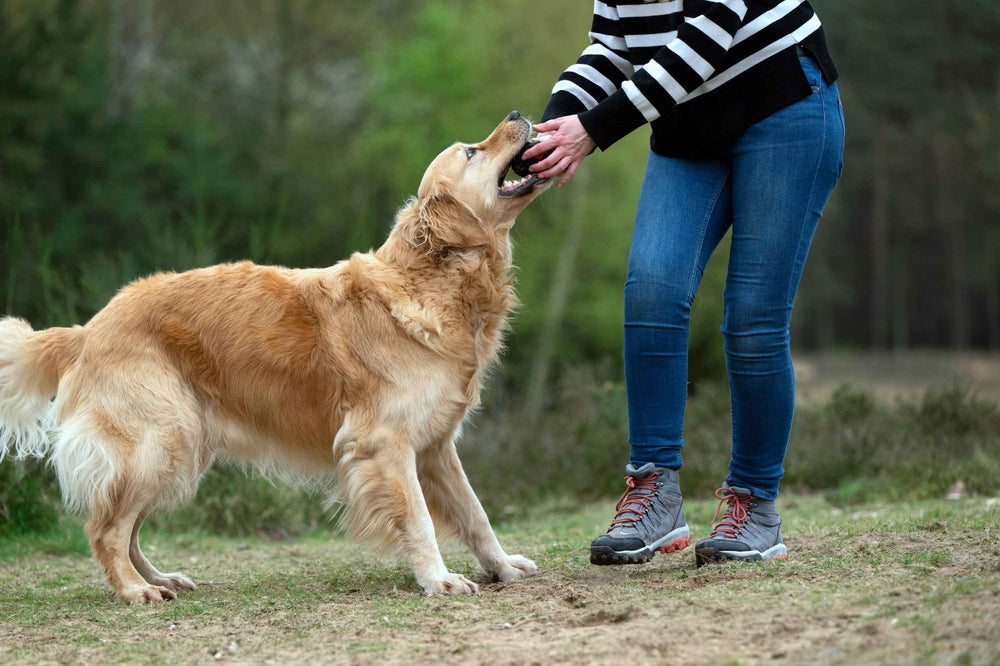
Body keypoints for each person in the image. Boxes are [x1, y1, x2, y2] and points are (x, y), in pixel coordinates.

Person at [523, 0, 844, 567]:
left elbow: (708, 34)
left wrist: (592, 130)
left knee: (752, 319)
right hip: (688, 127)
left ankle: (754, 507)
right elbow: (611, 48)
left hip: (782, 106)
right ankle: (655, 493)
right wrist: (551, 129)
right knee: (651, 288)